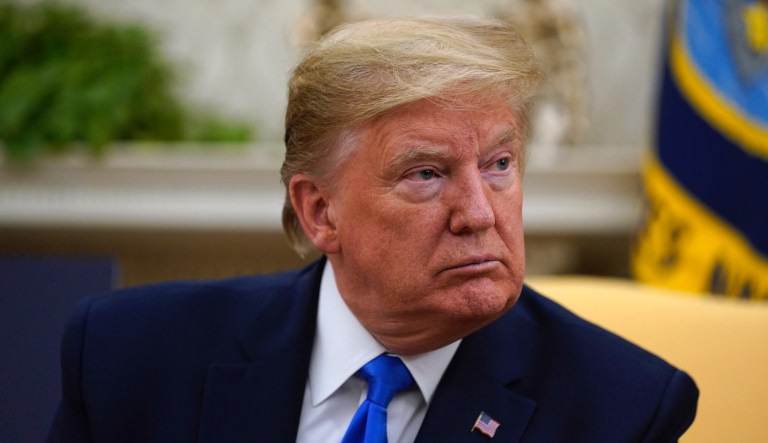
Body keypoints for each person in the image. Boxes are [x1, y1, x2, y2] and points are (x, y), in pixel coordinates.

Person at [48, 17, 698, 442]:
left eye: (499, 164)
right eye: (425, 173)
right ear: (319, 211)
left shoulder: (623, 409)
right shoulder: (127, 357)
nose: (479, 211)